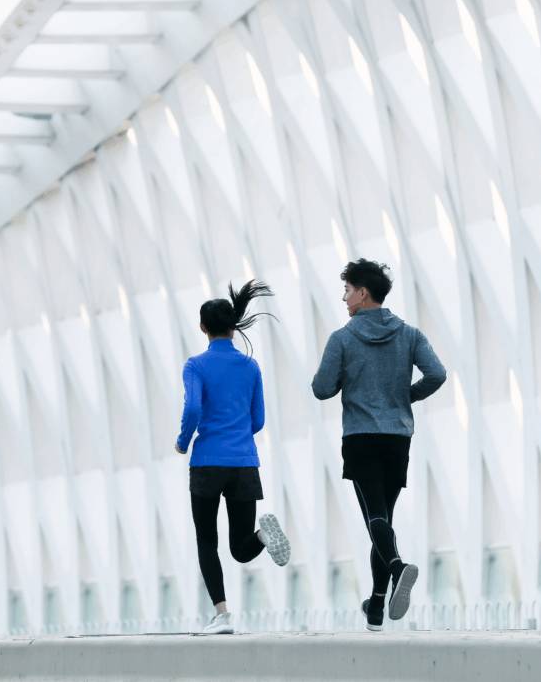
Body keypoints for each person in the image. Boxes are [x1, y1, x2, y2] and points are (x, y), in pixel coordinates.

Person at [311, 259, 446, 631]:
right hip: (397, 437)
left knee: (375, 517)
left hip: (360, 436)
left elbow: (321, 388)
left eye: (347, 291)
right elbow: (437, 374)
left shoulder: (342, 338)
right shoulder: (410, 335)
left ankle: (398, 567)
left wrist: (346, 377)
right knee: (382, 518)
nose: (344, 298)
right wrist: (405, 396)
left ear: (362, 292)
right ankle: (376, 605)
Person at [176, 280, 291, 635]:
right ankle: (263, 537)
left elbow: (193, 409)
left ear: (203, 328)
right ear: (232, 327)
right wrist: (237, 434)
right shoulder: (251, 367)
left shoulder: (196, 365)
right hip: (244, 463)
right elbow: (258, 421)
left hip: (208, 463)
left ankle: (222, 616)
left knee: (206, 541)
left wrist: (183, 441)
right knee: (241, 548)